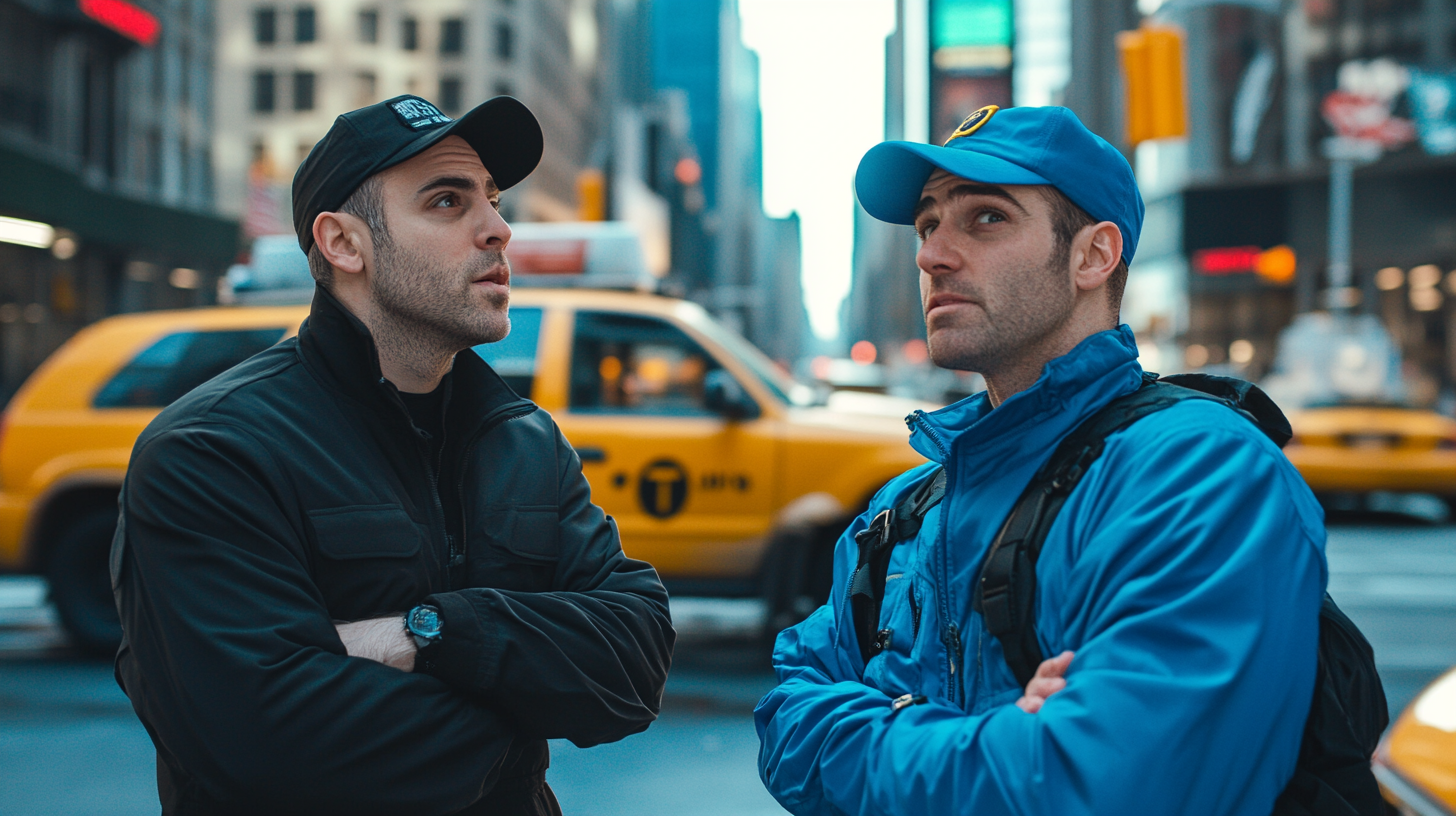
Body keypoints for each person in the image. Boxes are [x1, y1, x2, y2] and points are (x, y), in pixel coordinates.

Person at [755, 105, 1326, 815]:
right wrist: (995, 738)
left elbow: (1099, 786)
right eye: (928, 223)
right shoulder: (899, 512)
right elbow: (784, 721)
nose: (932, 254)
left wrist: (872, 723)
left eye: (985, 218)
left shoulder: (1200, 475)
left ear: (1093, 255)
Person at [112, 94, 674, 816]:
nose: (499, 230)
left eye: (495, 202)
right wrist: (525, 713)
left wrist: (430, 633)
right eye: (447, 201)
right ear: (345, 244)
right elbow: (271, 747)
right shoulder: (212, 452)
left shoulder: (526, 440)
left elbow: (635, 661)